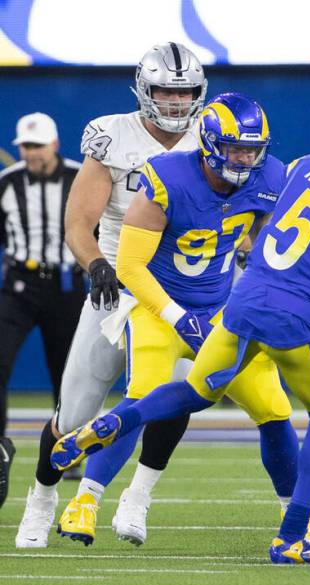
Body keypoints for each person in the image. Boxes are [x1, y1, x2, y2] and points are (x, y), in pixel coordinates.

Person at [53, 115, 310, 564]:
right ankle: (291, 535)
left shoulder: (309, 167)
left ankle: (114, 422)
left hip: (241, 304)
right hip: (295, 321)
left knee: (193, 391)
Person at [52, 93, 310, 556]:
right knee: (143, 397)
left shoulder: (269, 176)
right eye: (236, 148)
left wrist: (252, 248)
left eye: (253, 148)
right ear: (209, 143)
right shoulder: (166, 178)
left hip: (223, 308)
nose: (246, 158)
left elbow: (265, 234)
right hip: (159, 307)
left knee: (273, 407)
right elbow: (132, 267)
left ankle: (296, 521)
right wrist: (178, 318)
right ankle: (85, 501)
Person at [14, 42, 206, 547]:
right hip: (119, 289)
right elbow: (78, 222)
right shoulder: (111, 136)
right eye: (166, 90)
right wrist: (96, 262)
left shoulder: (212, 136)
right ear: (145, 89)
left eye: (184, 91)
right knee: (76, 414)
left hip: (183, 292)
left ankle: (137, 497)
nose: (175, 102)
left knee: (177, 395)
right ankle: (41, 496)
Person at [0, 113, 85, 509]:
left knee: (67, 371)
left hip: (67, 284)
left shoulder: (81, 177)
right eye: (25, 146)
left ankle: (67, 448)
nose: (30, 153)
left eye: (36, 146)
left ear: (53, 144)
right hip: (19, 283)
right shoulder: (8, 182)